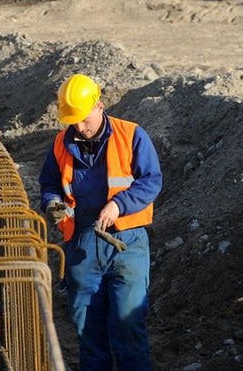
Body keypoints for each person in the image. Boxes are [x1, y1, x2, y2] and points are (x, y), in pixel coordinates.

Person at [39, 73, 162, 370]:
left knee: (128, 326)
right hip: (83, 245)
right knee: (88, 333)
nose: (80, 127)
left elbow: (151, 181)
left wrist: (119, 205)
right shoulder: (60, 144)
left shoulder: (131, 135)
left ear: (100, 106)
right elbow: (49, 184)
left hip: (126, 243)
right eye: (73, 121)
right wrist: (53, 204)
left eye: (84, 119)